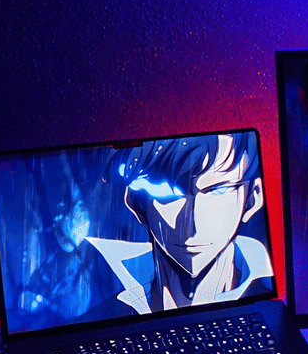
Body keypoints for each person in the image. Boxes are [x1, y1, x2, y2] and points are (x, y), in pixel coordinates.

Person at [85, 133, 272, 317]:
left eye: (218, 190)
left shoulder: (271, 297)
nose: (194, 225)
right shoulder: (101, 315)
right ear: (137, 203)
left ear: (252, 198)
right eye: (169, 195)